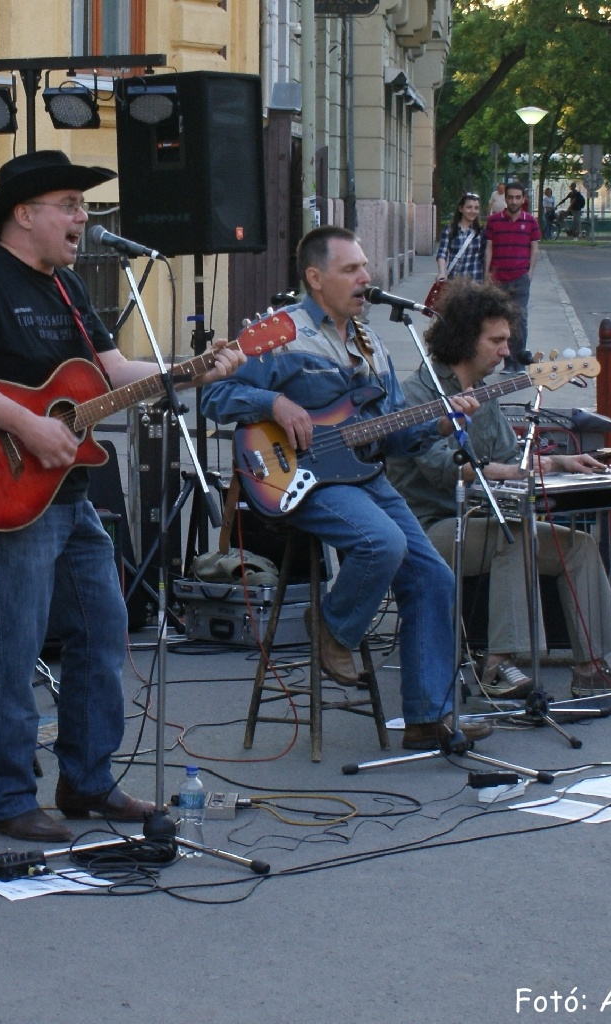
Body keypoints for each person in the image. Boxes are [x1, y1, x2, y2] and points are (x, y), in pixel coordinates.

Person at [0, 150, 242, 843]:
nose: (82, 217)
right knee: (15, 641)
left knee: (102, 629)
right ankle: (6, 797)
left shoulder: (66, 288)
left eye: (81, 205)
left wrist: (195, 371)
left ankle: (87, 781)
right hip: (7, 487)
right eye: (68, 204)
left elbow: (114, 370)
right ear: (24, 215)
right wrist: (29, 424)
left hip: (68, 493)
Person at [198, 225, 490, 753]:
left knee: (434, 579)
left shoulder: (371, 343)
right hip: (298, 478)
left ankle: (429, 717)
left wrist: (440, 423)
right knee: (383, 543)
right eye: (351, 269)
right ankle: (331, 625)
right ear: (315, 277)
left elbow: (395, 434)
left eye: (365, 267)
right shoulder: (278, 332)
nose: (365, 277)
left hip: (363, 476)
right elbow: (214, 394)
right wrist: (273, 405)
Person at [383, 281, 611, 700]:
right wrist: (506, 470)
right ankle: (498, 664)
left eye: (507, 340)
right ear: (465, 339)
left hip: (480, 521)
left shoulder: (485, 394)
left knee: (578, 546)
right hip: (429, 528)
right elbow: (443, 468)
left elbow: (512, 459)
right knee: (513, 537)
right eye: (496, 340)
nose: (505, 350)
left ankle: (591, 668)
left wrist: (560, 463)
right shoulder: (419, 392)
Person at [483, 181, 542, 371]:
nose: (514, 201)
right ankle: (507, 362)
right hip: (498, 279)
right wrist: (487, 274)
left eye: (518, 197)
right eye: (511, 197)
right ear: (505, 198)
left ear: (523, 199)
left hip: (520, 278)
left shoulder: (530, 221)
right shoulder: (494, 221)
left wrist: (529, 273)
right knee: (500, 321)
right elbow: (489, 248)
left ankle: (519, 361)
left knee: (520, 320)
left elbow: (534, 249)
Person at [435, 192, 485, 286]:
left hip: (475, 283)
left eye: (476, 208)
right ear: (461, 209)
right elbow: (442, 253)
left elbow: (484, 257)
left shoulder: (481, 232)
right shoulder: (450, 230)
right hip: (454, 283)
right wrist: (442, 272)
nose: (473, 211)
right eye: (469, 207)